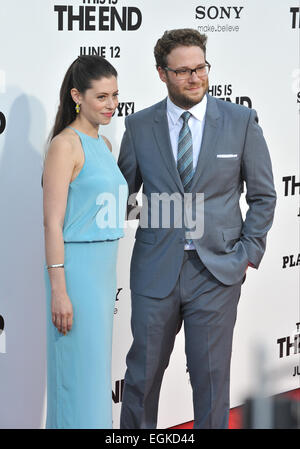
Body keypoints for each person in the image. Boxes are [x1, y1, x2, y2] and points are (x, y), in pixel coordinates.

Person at [118, 28, 276, 429]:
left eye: (201, 68)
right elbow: (123, 197)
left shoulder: (240, 122)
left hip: (217, 273)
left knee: (211, 381)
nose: (194, 78)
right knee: (140, 379)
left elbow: (263, 196)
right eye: (183, 71)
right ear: (162, 73)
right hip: (156, 271)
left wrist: (246, 255)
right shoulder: (138, 126)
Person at [42, 55, 128, 429]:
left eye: (115, 96)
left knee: (93, 377)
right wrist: (59, 290)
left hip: (103, 274)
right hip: (75, 275)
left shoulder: (105, 145)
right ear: (78, 96)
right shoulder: (66, 145)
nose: (112, 105)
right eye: (102, 97)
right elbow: (51, 222)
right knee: (75, 377)